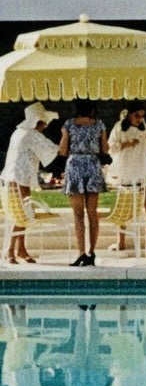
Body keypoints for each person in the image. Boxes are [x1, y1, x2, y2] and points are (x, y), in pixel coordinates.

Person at [1, 101, 61, 264]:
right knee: (22, 215)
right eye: (44, 123)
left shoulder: (19, 132)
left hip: (11, 179)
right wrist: (68, 138)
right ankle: (10, 250)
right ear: (39, 122)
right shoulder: (32, 134)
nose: (45, 126)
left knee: (19, 214)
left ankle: (19, 250)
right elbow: (54, 149)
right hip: (20, 179)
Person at [57, 99, 109, 267]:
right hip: (93, 165)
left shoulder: (69, 124)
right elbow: (105, 150)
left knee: (78, 215)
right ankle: (92, 252)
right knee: (92, 212)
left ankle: (81, 253)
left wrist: (65, 134)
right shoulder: (99, 124)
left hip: (75, 165)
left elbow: (63, 151)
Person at [107, 104, 146, 250]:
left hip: (142, 168)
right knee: (123, 206)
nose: (140, 119)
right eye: (137, 115)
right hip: (125, 169)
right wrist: (127, 143)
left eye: (142, 115)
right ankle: (120, 241)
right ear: (129, 115)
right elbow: (110, 147)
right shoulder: (119, 127)